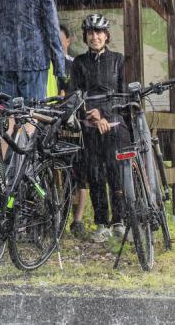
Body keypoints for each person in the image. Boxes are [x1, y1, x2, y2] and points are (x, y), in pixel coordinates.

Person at [68, 13, 129, 243]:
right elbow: (75, 94)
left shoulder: (118, 60)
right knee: (95, 174)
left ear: (106, 35)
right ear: (85, 36)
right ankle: (102, 222)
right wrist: (91, 115)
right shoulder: (79, 63)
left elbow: (123, 95)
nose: (95, 37)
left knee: (116, 172)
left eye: (99, 32)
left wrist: (104, 114)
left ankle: (120, 221)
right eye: (90, 33)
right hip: (89, 126)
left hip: (114, 124)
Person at [58, 24, 88, 238]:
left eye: (60, 38)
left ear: (69, 40)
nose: (57, 42)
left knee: (80, 172)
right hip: (50, 125)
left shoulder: (75, 65)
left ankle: (78, 221)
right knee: (55, 173)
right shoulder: (45, 64)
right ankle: (56, 217)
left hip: (75, 124)